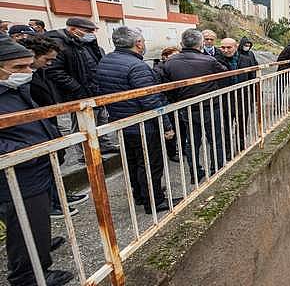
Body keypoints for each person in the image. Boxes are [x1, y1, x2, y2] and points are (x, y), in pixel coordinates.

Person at [0, 38, 74, 286]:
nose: (28, 73)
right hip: (19, 172)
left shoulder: (13, 90)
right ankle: (28, 277)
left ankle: (39, 250)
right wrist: (28, 149)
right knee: (24, 225)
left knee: (36, 221)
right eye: (19, 67)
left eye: (29, 66)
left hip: (35, 167)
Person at [96, 27, 177, 213]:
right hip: (143, 124)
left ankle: (141, 195)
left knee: (133, 162)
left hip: (122, 122)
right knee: (150, 163)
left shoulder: (106, 60)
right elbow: (150, 99)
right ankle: (155, 201)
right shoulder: (137, 66)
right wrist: (166, 125)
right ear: (138, 44)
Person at [18, 36, 89, 218]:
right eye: (47, 60)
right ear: (33, 55)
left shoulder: (38, 72)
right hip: (30, 133)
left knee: (53, 165)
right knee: (40, 171)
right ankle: (50, 203)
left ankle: (59, 197)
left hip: (46, 123)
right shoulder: (20, 79)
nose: (50, 64)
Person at [160, 29, 228, 182]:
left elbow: (166, 87)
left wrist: (178, 99)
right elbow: (224, 74)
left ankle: (195, 173)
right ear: (201, 44)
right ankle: (216, 170)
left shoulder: (170, 62)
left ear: (182, 43)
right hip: (210, 106)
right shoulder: (208, 60)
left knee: (191, 141)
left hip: (187, 108)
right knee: (215, 139)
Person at [46, 17, 119, 156]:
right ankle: (85, 155)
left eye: (92, 31)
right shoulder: (59, 44)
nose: (91, 34)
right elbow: (54, 70)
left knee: (100, 119)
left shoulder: (86, 42)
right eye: (87, 31)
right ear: (73, 29)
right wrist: (76, 87)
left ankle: (104, 145)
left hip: (94, 89)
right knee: (82, 125)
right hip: (78, 93)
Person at [215, 37, 258, 158]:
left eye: (229, 47)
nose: (226, 50)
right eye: (223, 47)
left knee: (242, 125)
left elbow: (252, 78)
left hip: (242, 98)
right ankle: (228, 152)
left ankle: (241, 147)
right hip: (225, 100)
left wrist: (254, 97)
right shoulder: (215, 61)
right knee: (227, 128)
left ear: (235, 47)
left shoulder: (246, 60)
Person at [153, 46, 181, 163]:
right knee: (170, 127)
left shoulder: (176, 68)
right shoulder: (158, 70)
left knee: (181, 127)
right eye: (173, 56)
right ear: (164, 57)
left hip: (176, 101)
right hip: (166, 103)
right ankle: (171, 152)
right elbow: (158, 90)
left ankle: (181, 149)